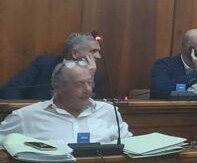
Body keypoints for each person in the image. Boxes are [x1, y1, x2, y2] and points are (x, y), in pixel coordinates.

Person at [0, 63, 132, 146]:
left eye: (90, 83)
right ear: (57, 87)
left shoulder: (109, 112)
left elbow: (128, 146)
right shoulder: (26, 116)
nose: (87, 90)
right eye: (79, 84)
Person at [1, 33, 104, 100]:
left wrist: (90, 77)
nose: (98, 56)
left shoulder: (96, 77)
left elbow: (88, 105)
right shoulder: (44, 65)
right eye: (93, 51)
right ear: (75, 54)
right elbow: (10, 90)